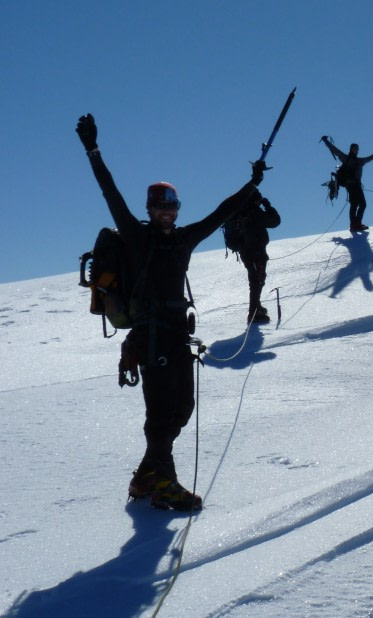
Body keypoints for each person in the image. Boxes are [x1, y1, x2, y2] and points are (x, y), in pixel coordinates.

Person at [76, 113, 267, 511]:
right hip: (149, 336)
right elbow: (110, 193)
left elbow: (220, 212)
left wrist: (252, 185)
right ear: (149, 209)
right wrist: (94, 151)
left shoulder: (183, 240)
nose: (167, 213)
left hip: (177, 335)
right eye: (160, 208)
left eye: (172, 207)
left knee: (182, 407)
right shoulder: (136, 236)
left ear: (177, 209)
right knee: (162, 411)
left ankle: (147, 475)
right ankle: (164, 483)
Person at [230, 192, 281, 324]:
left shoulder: (242, 212)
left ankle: (256, 307)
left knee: (257, 278)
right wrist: (268, 206)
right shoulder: (254, 212)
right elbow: (275, 221)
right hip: (256, 253)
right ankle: (253, 314)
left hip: (247, 252)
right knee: (256, 281)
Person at [321, 136, 373, 231]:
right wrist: (325, 141)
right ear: (351, 149)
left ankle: (357, 224)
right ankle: (353, 225)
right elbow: (334, 149)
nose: (356, 150)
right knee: (354, 204)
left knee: (362, 204)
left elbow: (368, 159)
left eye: (357, 149)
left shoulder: (360, 161)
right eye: (354, 148)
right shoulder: (345, 158)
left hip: (357, 185)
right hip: (350, 185)